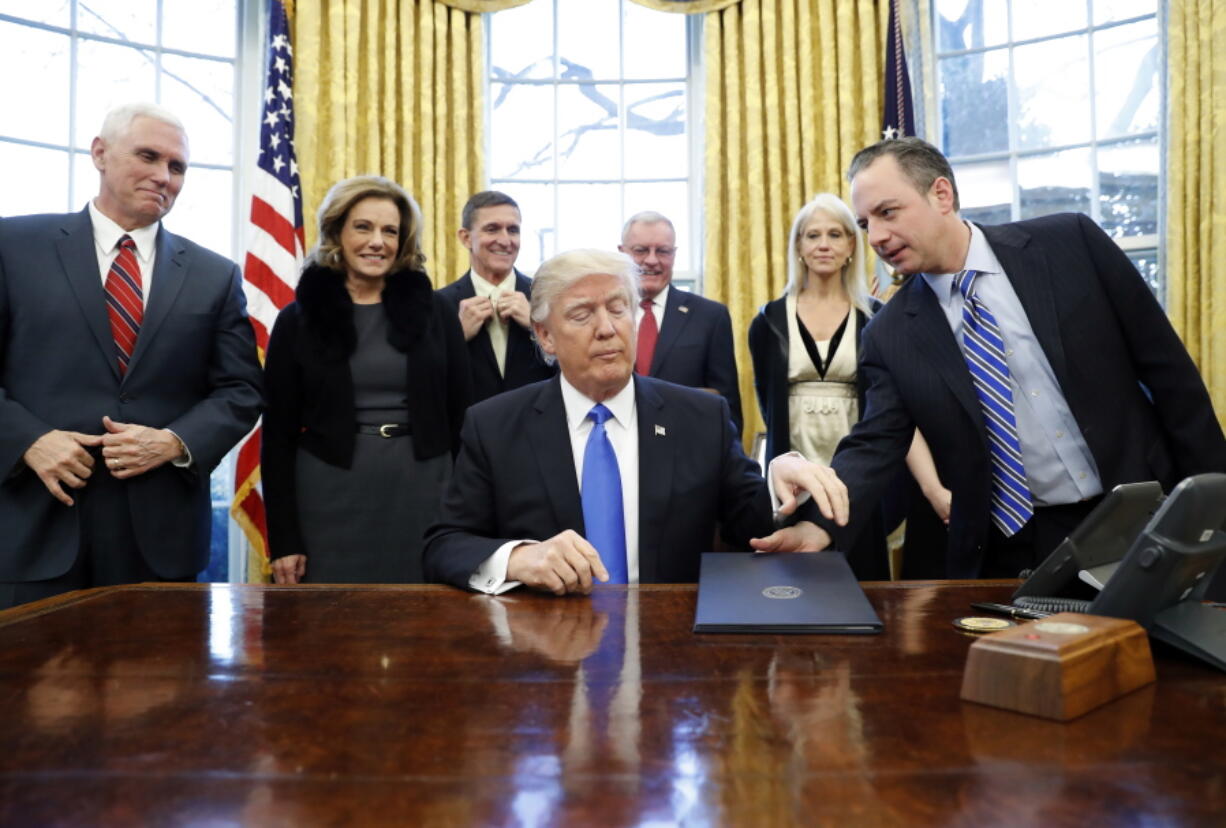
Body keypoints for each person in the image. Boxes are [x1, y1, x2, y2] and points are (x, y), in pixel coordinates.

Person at [810, 136, 1226, 578]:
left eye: (887, 213)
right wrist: (816, 529)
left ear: (941, 194)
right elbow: (874, 442)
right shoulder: (888, 334)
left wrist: (1214, 503)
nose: (876, 237)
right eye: (864, 223)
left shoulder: (1070, 244)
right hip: (1016, 547)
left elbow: (1170, 376)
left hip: (1138, 515)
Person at [423, 248, 847, 596]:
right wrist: (518, 558)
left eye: (617, 308)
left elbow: (749, 523)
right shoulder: (494, 425)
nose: (607, 328)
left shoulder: (700, 418)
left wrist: (781, 478)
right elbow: (445, 545)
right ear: (545, 336)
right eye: (582, 314)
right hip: (546, 658)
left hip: (672, 653)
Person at [0, 102, 263, 609]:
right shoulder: (13, 246)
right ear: (100, 153)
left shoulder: (215, 275)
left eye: (178, 166)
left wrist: (173, 441)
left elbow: (241, 389)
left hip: (158, 544)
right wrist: (29, 440)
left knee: (160, 690)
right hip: (31, 529)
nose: (163, 176)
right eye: (148, 156)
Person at [262, 176, 471, 584]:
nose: (378, 241)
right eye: (363, 227)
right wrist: (284, 539)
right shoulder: (296, 320)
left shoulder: (437, 313)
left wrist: (470, 516)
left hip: (426, 490)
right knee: (331, 629)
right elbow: (278, 436)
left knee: (426, 629)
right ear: (337, 232)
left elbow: (463, 417)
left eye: (389, 231)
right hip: (327, 494)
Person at [748, 193, 950, 580]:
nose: (824, 244)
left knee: (863, 587)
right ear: (799, 248)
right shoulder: (768, 322)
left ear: (851, 247)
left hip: (859, 479)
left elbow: (896, 417)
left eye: (836, 234)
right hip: (796, 480)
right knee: (792, 586)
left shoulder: (878, 318)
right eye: (813, 236)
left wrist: (933, 489)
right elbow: (767, 406)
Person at [618, 211, 743, 435]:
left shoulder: (710, 317)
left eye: (663, 251)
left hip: (687, 451)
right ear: (622, 253)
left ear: (674, 255)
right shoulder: (604, 316)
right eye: (641, 250)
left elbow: (728, 410)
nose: (652, 260)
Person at [437, 191, 555, 404]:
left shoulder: (549, 297)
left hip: (537, 429)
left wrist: (537, 327)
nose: (505, 240)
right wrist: (455, 337)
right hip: (466, 432)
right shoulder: (438, 305)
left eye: (513, 230)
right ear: (465, 238)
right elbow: (424, 383)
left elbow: (575, 370)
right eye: (492, 229)